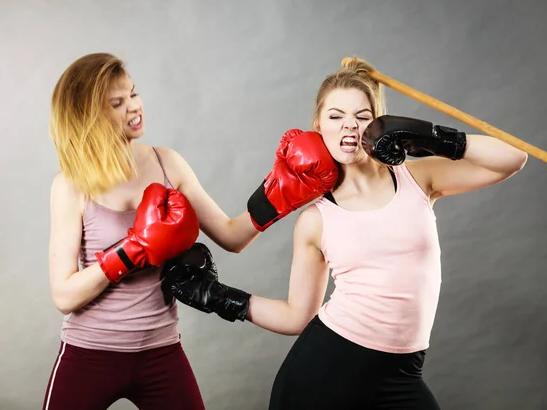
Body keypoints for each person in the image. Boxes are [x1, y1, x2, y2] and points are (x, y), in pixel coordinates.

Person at [160, 56, 529, 410]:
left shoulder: (419, 179)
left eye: (362, 116)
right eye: (336, 116)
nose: (349, 125)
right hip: (328, 369)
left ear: (380, 124)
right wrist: (218, 297)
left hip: (402, 373)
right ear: (318, 126)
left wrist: (431, 137)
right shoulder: (316, 219)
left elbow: (512, 159)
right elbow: (296, 316)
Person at [42, 52, 339, 410]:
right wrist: (132, 250)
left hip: (160, 352)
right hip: (89, 354)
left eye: (133, 94)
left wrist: (277, 198)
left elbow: (232, 236)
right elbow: (64, 295)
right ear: (89, 116)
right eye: (117, 103)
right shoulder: (71, 185)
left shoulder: (167, 163)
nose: (134, 107)